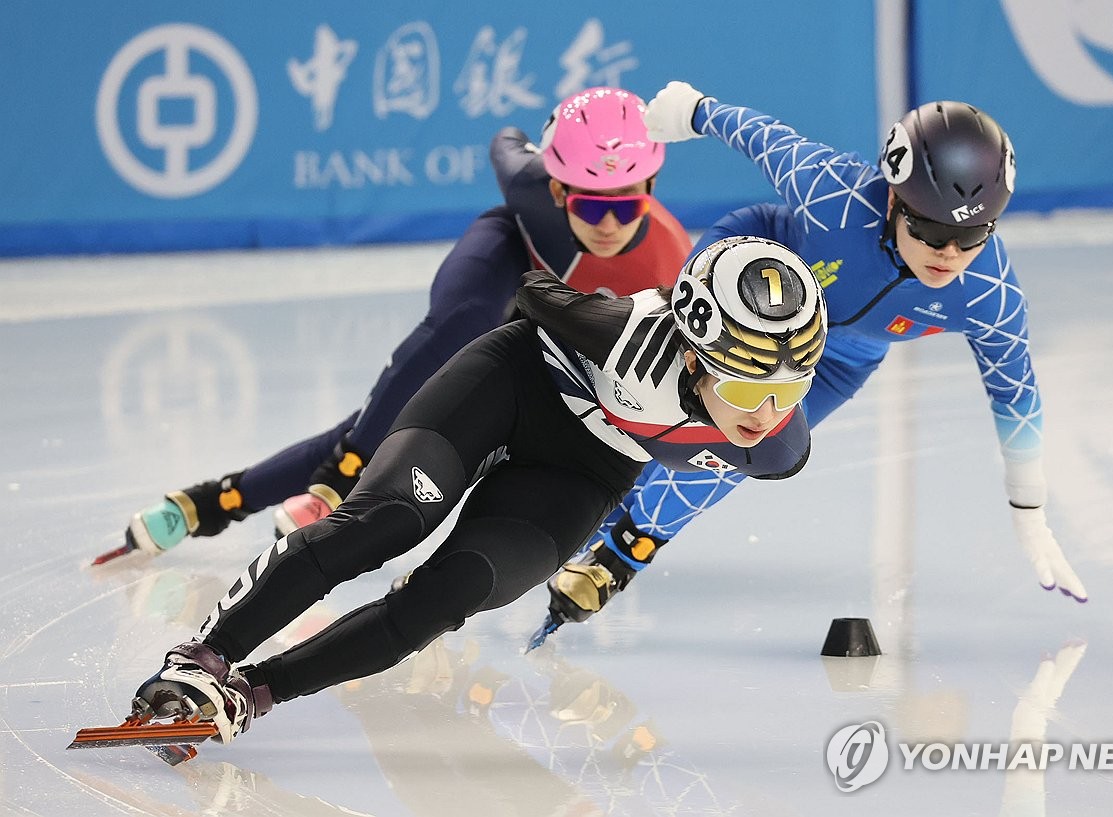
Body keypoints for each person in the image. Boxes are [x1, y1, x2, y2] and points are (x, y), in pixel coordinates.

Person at [126, 234, 828, 745]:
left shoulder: (777, 447)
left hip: (583, 469)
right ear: (689, 350)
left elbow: (695, 489)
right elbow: (531, 290)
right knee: (392, 517)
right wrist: (600, 309)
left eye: (788, 390)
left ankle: (253, 692)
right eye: (743, 386)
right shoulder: (630, 338)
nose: (764, 413)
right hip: (514, 385)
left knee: (453, 590)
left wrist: (622, 555)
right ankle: (203, 656)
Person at [533, 83, 1086, 642]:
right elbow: (766, 139)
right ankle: (572, 478)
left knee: (745, 444)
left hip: (838, 357)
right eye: (933, 230)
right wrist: (696, 110)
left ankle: (626, 549)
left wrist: (1029, 508)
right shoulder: (835, 196)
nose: (949, 255)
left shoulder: (988, 292)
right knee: (673, 400)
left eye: (973, 235)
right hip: (752, 273)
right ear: (894, 201)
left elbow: (1015, 395)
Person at [106, 86, 693, 564]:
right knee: (456, 327)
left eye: (627, 202)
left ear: (653, 188)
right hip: (509, 256)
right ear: (559, 187)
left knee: (423, 415)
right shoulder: (528, 188)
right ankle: (341, 473)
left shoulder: (668, 261)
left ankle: (206, 504)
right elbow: (505, 142)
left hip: (560, 317)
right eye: (590, 203)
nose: (609, 221)